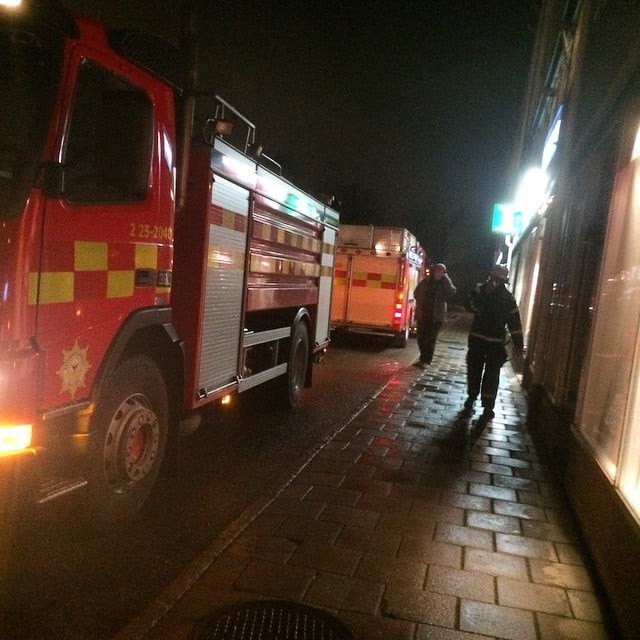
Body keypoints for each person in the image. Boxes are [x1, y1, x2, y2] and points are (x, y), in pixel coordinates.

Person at [463, 265, 523, 420]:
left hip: (495, 344)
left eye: (499, 280)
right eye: (494, 278)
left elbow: (514, 323)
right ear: (490, 277)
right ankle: (472, 397)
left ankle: (488, 406)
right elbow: (468, 304)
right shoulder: (479, 291)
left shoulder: (508, 298)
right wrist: (482, 296)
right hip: (477, 340)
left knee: (492, 375)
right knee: (474, 370)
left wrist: (519, 344)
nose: (495, 282)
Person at [414, 262, 457, 366]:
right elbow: (416, 292)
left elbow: (452, 292)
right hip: (423, 315)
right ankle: (422, 358)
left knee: (430, 339)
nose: (438, 273)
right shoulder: (426, 281)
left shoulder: (444, 284)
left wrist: (446, 279)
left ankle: (426, 360)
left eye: (441, 271)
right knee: (421, 338)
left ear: (444, 273)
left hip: (436, 317)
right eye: (437, 270)